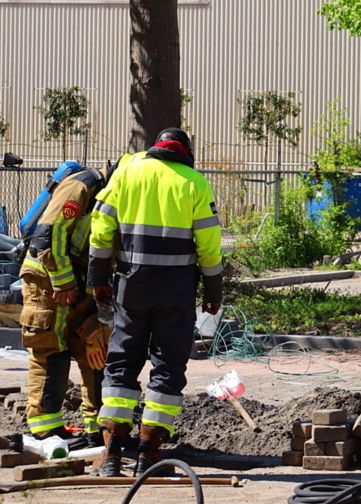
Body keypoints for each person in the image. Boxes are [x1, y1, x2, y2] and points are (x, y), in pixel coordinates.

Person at [88, 128, 224, 477]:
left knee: (121, 361)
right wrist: (213, 291)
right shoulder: (195, 183)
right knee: (168, 365)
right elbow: (209, 243)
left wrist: (98, 279)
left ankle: (112, 455)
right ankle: (148, 456)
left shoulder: (127, 172)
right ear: (186, 153)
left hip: (131, 285)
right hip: (176, 290)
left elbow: (101, 229)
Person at [20, 166, 109, 448]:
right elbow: (48, 235)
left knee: (96, 350)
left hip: (84, 287)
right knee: (51, 350)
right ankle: (46, 431)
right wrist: (64, 283)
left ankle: (98, 430)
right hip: (49, 280)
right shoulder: (83, 185)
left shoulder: (125, 198)